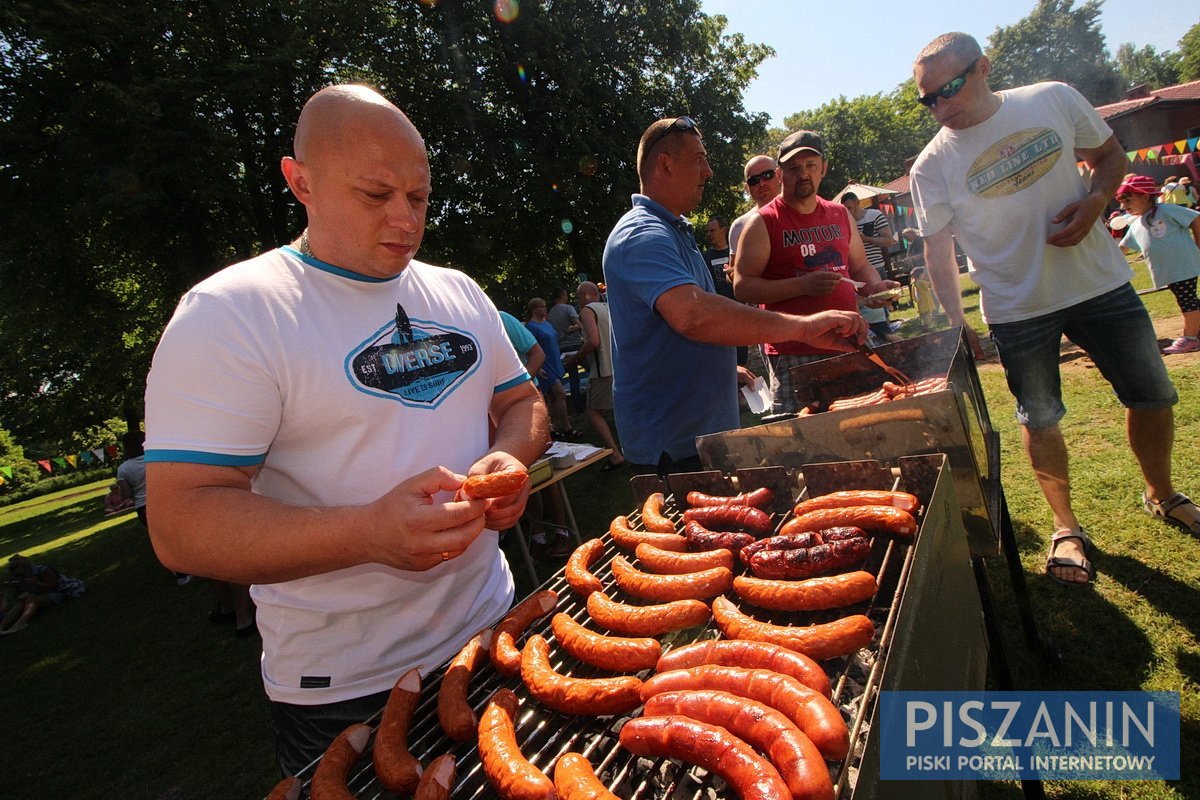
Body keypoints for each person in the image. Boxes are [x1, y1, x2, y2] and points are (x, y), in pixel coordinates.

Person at [143, 84, 548, 773]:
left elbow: (523, 402)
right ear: (300, 182)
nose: (404, 218)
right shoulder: (231, 313)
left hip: (493, 629)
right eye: (374, 194)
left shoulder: (457, 290)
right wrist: (367, 533)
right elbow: (179, 524)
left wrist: (508, 459)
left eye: (418, 198)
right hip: (345, 688)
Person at [908, 32, 1200, 587]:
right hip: (1018, 310)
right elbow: (937, 247)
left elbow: (1109, 155)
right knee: (1039, 419)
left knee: (1154, 395)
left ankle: (1162, 494)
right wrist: (956, 319)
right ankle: (1067, 527)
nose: (940, 108)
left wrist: (1096, 202)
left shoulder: (1052, 98)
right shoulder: (931, 165)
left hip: (1102, 286)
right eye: (928, 100)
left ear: (983, 68)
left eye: (948, 90)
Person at [602, 115, 868, 475]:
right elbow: (693, 316)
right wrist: (803, 328)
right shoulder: (642, 234)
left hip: (700, 434)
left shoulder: (672, 230)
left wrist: (726, 366)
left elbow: (686, 323)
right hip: (675, 445)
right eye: (699, 159)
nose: (708, 171)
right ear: (665, 164)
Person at [734, 130, 900, 414]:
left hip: (849, 337)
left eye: (811, 165)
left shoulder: (840, 214)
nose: (804, 174)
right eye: (794, 168)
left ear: (823, 168)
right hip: (794, 350)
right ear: (779, 174)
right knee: (806, 442)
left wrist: (873, 287)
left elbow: (859, 266)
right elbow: (743, 286)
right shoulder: (763, 222)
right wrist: (803, 286)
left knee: (871, 419)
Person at [1116, 174, 1200, 354]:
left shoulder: (1167, 211)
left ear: (1144, 196)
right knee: (1188, 299)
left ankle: (1191, 338)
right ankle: (1196, 332)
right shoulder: (1137, 223)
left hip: (1182, 265)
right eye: (1122, 202)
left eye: (1128, 200)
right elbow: (1121, 249)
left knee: (1187, 301)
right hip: (1169, 270)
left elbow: (1195, 218)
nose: (1123, 206)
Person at [565, 281, 627, 470]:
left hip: (602, 369)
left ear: (585, 294)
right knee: (622, 409)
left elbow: (593, 341)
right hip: (619, 365)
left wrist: (575, 358)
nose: (577, 301)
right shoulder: (608, 306)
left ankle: (616, 455)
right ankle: (632, 447)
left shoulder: (587, 310)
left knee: (593, 412)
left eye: (577, 297)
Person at [118, 430, 190, 586]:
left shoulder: (123, 469)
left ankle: (181, 572)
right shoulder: (156, 458)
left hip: (144, 506)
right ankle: (197, 561)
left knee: (164, 539)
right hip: (166, 499)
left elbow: (126, 494)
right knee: (180, 532)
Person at [842, 192, 902, 344]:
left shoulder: (874, 215)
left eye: (849, 207)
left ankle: (886, 335)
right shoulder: (844, 221)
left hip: (876, 268)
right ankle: (880, 336)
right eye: (845, 209)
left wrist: (867, 239)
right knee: (868, 312)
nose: (848, 212)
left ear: (857, 203)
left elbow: (889, 241)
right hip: (855, 274)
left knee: (882, 307)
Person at [525, 296, 582, 440]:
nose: (545, 309)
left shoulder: (547, 324)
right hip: (544, 365)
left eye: (545, 306)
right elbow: (529, 349)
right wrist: (537, 367)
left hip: (555, 360)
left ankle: (551, 428)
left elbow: (555, 340)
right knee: (560, 394)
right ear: (534, 309)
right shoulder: (531, 327)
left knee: (551, 398)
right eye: (541, 307)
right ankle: (567, 427)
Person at [1, 554, 85, 635]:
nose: (19, 577)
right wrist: (17, 591)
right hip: (41, 593)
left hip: (61, 591)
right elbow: (18, 595)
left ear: (28, 569)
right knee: (21, 603)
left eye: (20, 574)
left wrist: (37, 583)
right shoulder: (19, 579)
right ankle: (2, 627)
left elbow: (56, 586)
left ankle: (18, 625)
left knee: (32, 601)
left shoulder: (43, 570)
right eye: (16, 575)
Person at [547, 288, 585, 412]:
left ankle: (577, 406)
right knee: (591, 370)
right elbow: (578, 325)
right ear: (563, 295)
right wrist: (571, 329)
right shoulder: (569, 308)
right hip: (575, 345)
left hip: (562, 348)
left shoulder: (550, 313)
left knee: (573, 377)